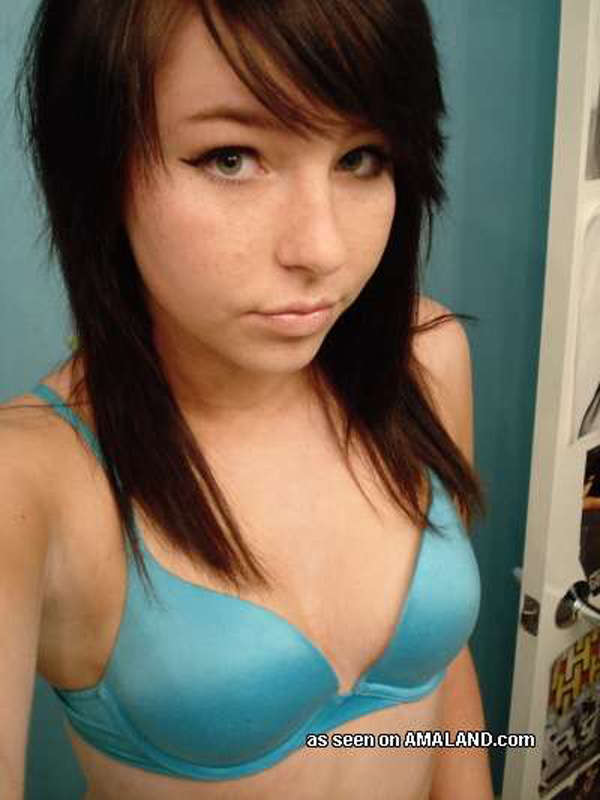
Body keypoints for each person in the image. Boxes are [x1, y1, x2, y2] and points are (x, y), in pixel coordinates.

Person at [2, 0, 494, 797]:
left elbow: (446, 667)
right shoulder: (32, 481)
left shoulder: (424, 358)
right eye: (232, 158)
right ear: (98, 166)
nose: (321, 249)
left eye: (361, 157)